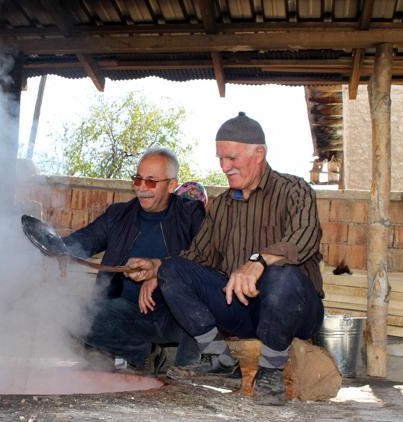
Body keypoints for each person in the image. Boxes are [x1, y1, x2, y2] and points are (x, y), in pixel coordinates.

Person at [126, 112, 324, 405]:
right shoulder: (222, 206)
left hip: (295, 310)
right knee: (173, 269)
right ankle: (219, 358)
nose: (224, 167)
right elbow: (196, 257)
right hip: (242, 311)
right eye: (220, 159)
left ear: (259, 154)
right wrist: (157, 268)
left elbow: (305, 237)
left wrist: (259, 261)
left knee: (282, 276)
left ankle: (271, 372)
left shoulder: (294, 189)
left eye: (231, 158)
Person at [63, 148, 206, 374]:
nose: (141, 188)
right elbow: (85, 240)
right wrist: (54, 246)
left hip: (176, 317)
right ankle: (143, 355)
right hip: (126, 313)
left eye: (150, 182)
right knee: (71, 316)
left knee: (206, 304)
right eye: (138, 179)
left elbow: (208, 256)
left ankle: (187, 373)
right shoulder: (118, 215)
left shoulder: (191, 215)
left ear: (171, 185)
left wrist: (161, 271)